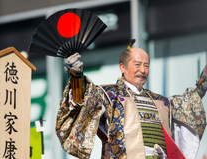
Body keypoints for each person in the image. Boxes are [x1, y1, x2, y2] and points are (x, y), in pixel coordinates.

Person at [55, 47, 206, 159]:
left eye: (146, 65)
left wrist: (201, 87)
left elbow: (183, 107)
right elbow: (84, 100)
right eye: (137, 64)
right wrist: (77, 77)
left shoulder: (160, 101)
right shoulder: (109, 95)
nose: (142, 70)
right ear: (123, 67)